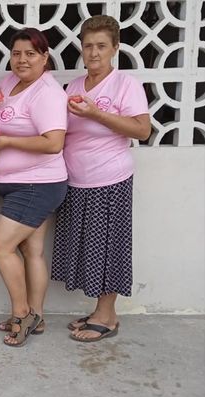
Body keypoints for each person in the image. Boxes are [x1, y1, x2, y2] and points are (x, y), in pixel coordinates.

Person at [51, 15, 151, 342]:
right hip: (76, 181)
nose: (94, 53)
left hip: (110, 179)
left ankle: (107, 316)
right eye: (88, 46)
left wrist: (96, 113)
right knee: (88, 249)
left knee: (109, 248)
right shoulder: (74, 87)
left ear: (115, 48)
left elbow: (142, 130)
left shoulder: (125, 84)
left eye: (101, 46)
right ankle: (100, 310)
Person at [0, 28, 68, 347]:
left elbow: (53, 143)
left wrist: (7, 142)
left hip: (38, 184)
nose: (22, 60)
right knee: (32, 251)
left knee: (0, 246)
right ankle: (38, 316)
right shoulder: (9, 82)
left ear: (45, 58)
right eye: (17, 53)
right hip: (20, 183)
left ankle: (22, 314)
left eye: (31, 54)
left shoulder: (47, 93)